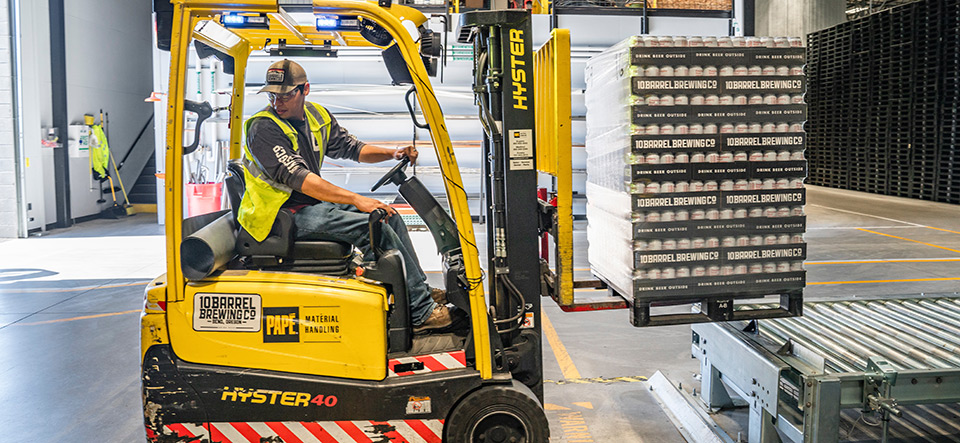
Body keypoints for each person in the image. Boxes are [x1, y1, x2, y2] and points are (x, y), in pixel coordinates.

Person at [238, 59, 451, 333]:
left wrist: (392, 152)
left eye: (286, 94)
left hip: (306, 206)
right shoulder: (263, 128)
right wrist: (355, 199)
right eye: (273, 95)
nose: (278, 101)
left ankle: (417, 290)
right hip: (278, 217)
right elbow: (300, 179)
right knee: (372, 227)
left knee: (389, 216)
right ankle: (420, 312)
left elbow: (353, 148)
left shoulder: (317, 116)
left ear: (305, 90)